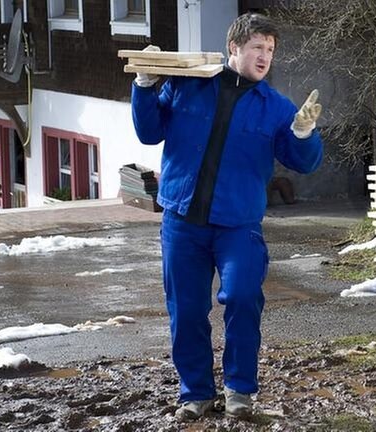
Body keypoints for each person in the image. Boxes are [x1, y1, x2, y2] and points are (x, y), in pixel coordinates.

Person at [130, 12, 323, 421]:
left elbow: (301, 163)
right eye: (257, 47)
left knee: (241, 298)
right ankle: (196, 393)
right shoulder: (190, 85)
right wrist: (145, 85)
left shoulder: (275, 107)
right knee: (186, 309)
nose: (265, 56)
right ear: (234, 48)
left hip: (238, 226)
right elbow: (149, 132)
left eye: (270, 50)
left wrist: (304, 134)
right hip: (183, 221)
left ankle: (239, 391)